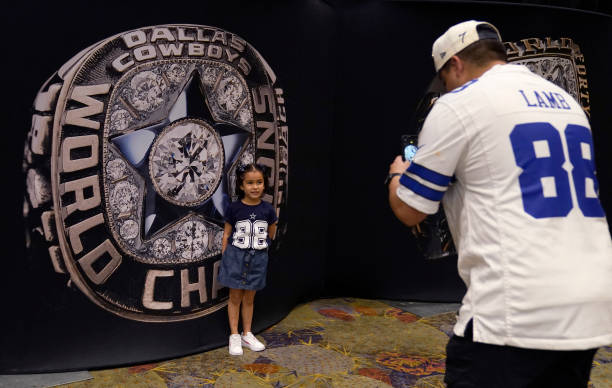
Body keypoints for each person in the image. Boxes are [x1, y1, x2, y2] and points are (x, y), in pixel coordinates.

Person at [387, 20, 612, 387]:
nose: (446, 88)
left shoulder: (460, 103)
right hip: (591, 299)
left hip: (519, 305)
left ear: (455, 64)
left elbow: (411, 208)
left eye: (445, 79)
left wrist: (398, 176)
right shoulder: (566, 102)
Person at [218, 163, 277, 355]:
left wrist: (263, 248)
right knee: (235, 297)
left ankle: (247, 333)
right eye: (250, 183)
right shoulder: (234, 208)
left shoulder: (268, 209)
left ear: (264, 184)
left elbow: (271, 232)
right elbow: (227, 234)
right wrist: (226, 256)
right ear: (242, 186)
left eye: (259, 182)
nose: (255, 186)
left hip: (257, 257)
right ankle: (234, 335)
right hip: (236, 256)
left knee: (249, 298)